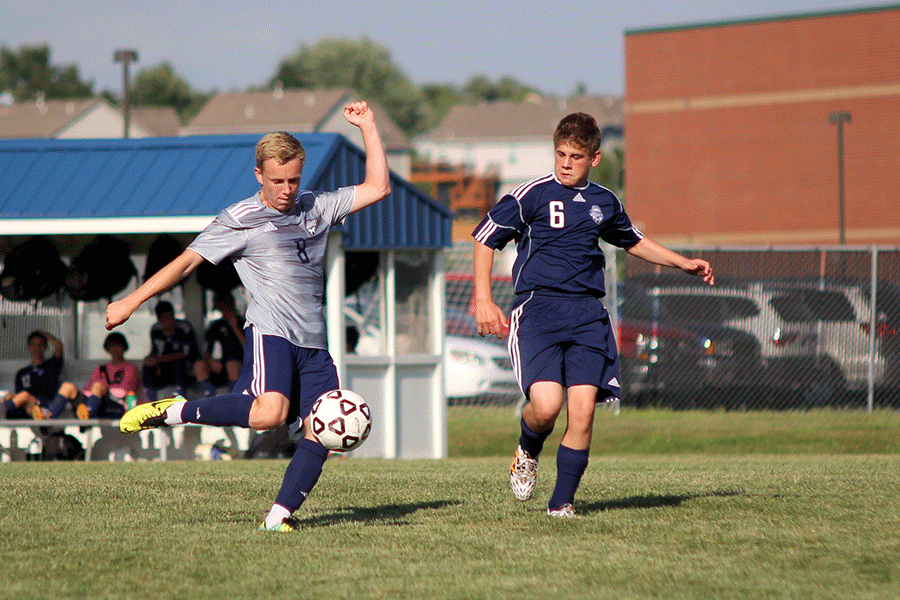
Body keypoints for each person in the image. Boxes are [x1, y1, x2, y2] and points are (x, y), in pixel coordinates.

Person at [107, 101, 391, 531]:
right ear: (259, 175)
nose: (286, 189)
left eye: (293, 179)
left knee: (322, 431)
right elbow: (186, 263)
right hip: (271, 332)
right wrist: (131, 302)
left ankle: (278, 519)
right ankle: (177, 411)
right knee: (268, 414)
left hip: (314, 343)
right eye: (277, 180)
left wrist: (368, 126)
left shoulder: (316, 207)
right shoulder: (240, 219)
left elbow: (378, 187)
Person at [472, 112, 714, 518]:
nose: (565, 163)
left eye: (576, 156)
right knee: (547, 407)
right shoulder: (530, 195)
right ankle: (528, 449)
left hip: (587, 315)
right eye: (560, 154)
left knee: (582, 413)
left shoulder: (605, 201)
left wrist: (682, 262)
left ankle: (561, 505)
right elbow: (484, 237)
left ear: (595, 159)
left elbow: (632, 240)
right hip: (539, 311)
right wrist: (483, 298)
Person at [2, 330, 79, 420]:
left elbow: (58, 345)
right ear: (28, 347)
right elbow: (18, 395)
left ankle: (45, 417)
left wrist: (43, 333)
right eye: (33, 345)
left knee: (25, 396)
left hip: (48, 407)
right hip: (29, 410)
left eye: (40, 345)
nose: (37, 348)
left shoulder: (52, 365)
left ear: (45, 347)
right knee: (21, 396)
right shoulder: (22, 373)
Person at [142, 300, 205, 401]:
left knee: (177, 363)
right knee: (147, 367)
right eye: (164, 319)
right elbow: (155, 351)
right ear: (159, 320)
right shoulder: (156, 330)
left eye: (170, 317)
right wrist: (151, 359)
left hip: (186, 367)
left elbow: (184, 355)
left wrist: (159, 359)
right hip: (164, 368)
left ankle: (181, 400)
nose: (169, 321)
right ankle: (151, 403)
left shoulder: (184, 327)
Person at [76, 332, 145, 420]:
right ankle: (52, 416)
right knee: (68, 387)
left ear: (124, 347)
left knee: (97, 386)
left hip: (118, 406)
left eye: (118, 345)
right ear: (107, 348)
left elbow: (126, 391)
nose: (115, 349)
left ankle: (87, 413)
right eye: (111, 346)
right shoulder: (100, 369)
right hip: (98, 403)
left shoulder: (130, 368)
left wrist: (103, 390)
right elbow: (87, 390)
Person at [196, 291, 245, 393]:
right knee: (199, 365)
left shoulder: (242, 322)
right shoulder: (215, 325)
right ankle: (209, 396)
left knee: (232, 365)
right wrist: (211, 361)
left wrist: (235, 327)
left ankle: (233, 397)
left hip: (238, 364)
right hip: (219, 365)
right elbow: (207, 351)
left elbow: (248, 347)